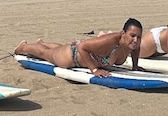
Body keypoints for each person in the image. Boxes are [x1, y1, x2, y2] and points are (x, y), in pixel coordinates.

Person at [15, 19, 143, 77]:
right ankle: (23, 47)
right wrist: (94, 70)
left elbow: (136, 48)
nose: (135, 40)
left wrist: (135, 67)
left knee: (58, 47)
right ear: (123, 34)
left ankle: (42, 42)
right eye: (132, 35)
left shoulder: (132, 43)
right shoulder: (111, 40)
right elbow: (82, 47)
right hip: (71, 57)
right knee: (45, 53)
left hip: (77, 53)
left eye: (138, 36)